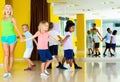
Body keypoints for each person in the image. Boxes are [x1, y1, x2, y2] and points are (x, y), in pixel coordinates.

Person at [1, 4, 23, 78]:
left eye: (9, 9)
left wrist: (21, 37)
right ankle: (6, 71)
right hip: (4, 38)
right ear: (4, 10)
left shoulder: (12, 18)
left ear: (11, 11)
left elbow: (16, 28)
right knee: (6, 54)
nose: (8, 10)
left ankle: (9, 70)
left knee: (11, 54)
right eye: (6, 8)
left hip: (12, 37)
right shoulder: (2, 19)